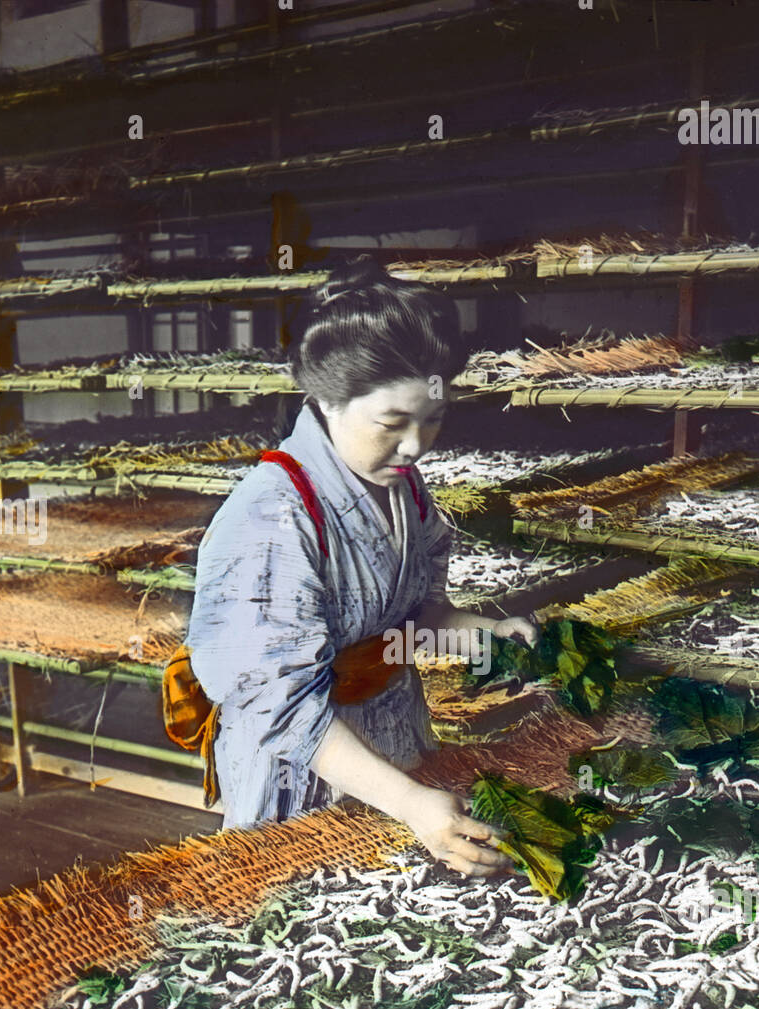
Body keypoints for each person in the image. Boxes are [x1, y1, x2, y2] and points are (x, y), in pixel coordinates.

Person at [185, 255, 538, 878]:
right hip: (304, 774)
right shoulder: (271, 517)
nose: (414, 446)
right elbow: (280, 707)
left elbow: (413, 615)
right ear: (324, 399)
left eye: (432, 419)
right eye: (392, 424)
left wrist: (484, 632)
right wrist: (408, 802)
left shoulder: (401, 484)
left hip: (398, 746)